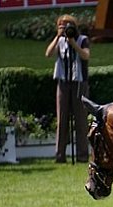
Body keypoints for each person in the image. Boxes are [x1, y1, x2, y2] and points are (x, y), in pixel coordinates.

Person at [45, 14, 90, 163]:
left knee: (81, 120)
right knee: (62, 119)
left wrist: (73, 42)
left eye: (67, 25)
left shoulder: (82, 39)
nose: (65, 28)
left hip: (79, 83)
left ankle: (82, 155)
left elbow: (85, 56)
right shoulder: (60, 41)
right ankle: (60, 156)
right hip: (63, 82)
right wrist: (58, 37)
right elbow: (48, 54)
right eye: (61, 26)